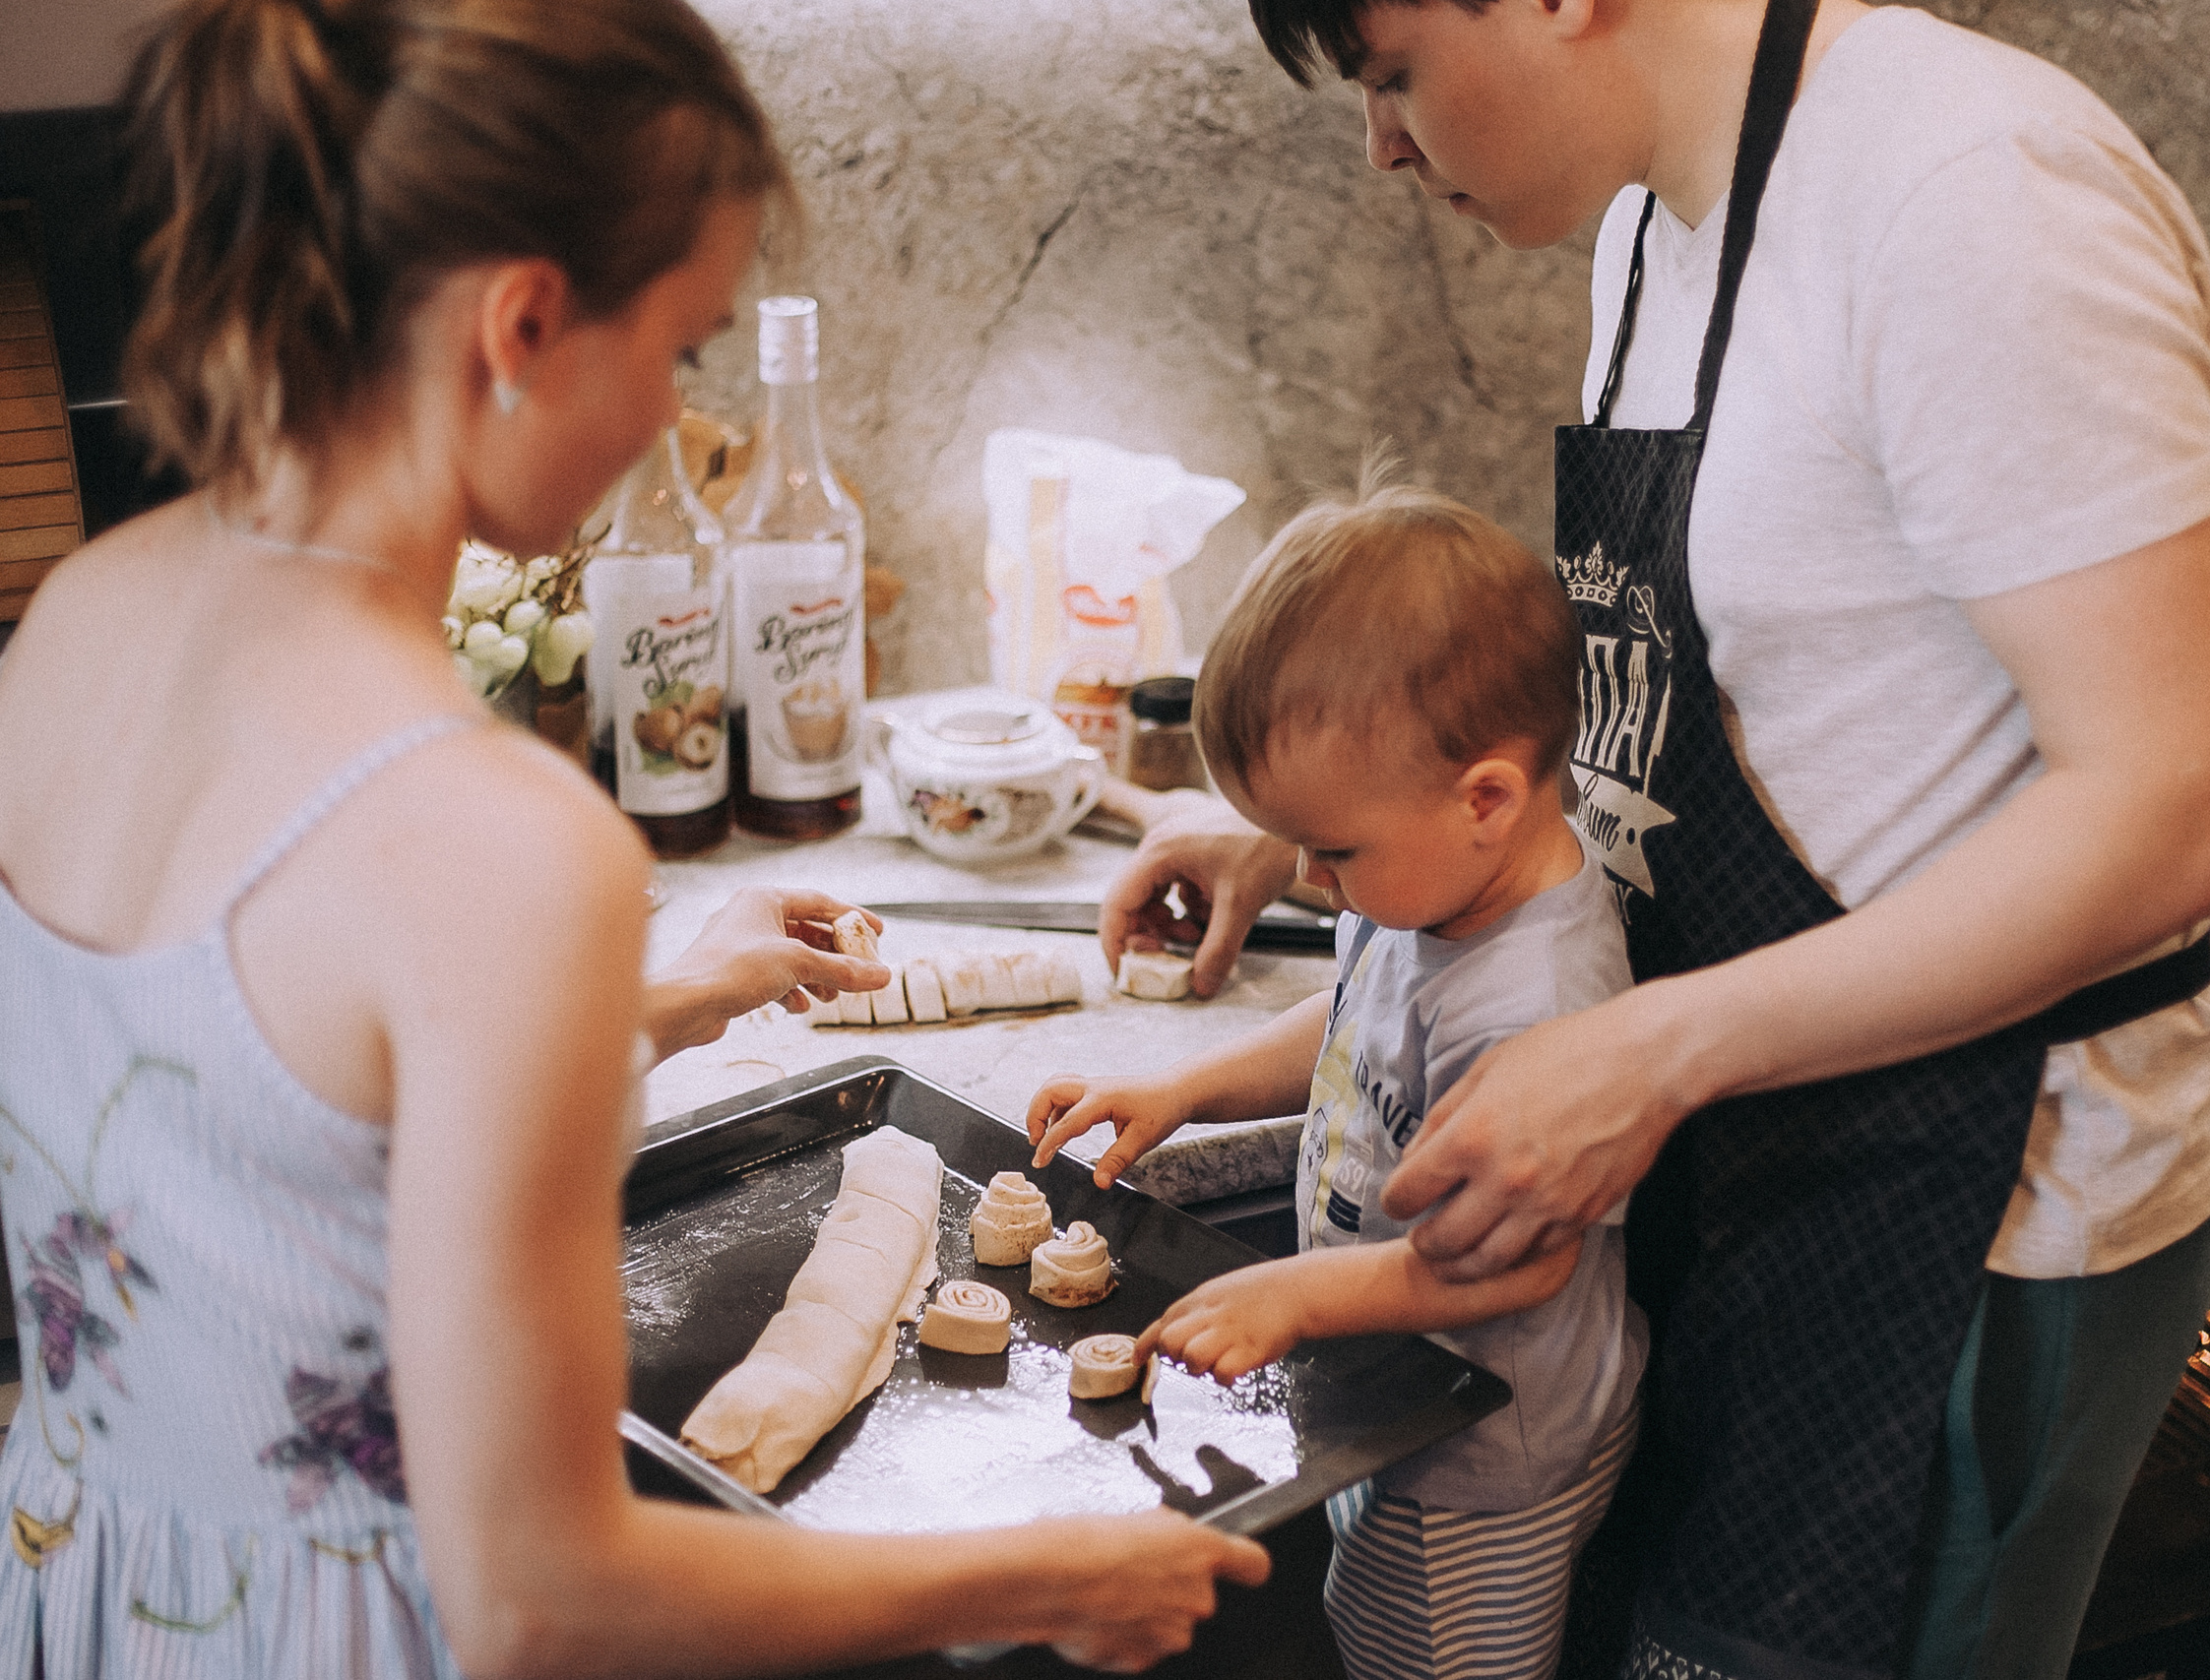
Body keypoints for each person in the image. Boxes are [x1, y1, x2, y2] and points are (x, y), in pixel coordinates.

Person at [0, 2, 1265, 1676]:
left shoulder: (72, 620)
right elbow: (542, 1598)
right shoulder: (504, 836)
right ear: (525, 322)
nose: (677, 413)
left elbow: (255, 1109)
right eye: (680, 350)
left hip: (86, 1584)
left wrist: (659, 1001)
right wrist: (1038, 1576)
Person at [1103, 1, 2210, 1675]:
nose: (1384, 145)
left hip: (1974, 1221)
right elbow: (1728, 677)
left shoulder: (1975, 192)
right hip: (1753, 1177)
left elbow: (2172, 816)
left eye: (1395, 71)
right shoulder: (1657, 219)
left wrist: (1648, 1052)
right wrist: (1329, 831)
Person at [1031, 481, 1644, 1680]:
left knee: (1413, 1655)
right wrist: (1190, 1091)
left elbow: (1529, 1259)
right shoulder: (1435, 883)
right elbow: (1356, 1023)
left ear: (1486, 798)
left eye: (1334, 848)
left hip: (1483, 1457)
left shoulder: (1538, 1003)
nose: (1306, 874)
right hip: (1402, 1388)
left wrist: (1300, 1300)